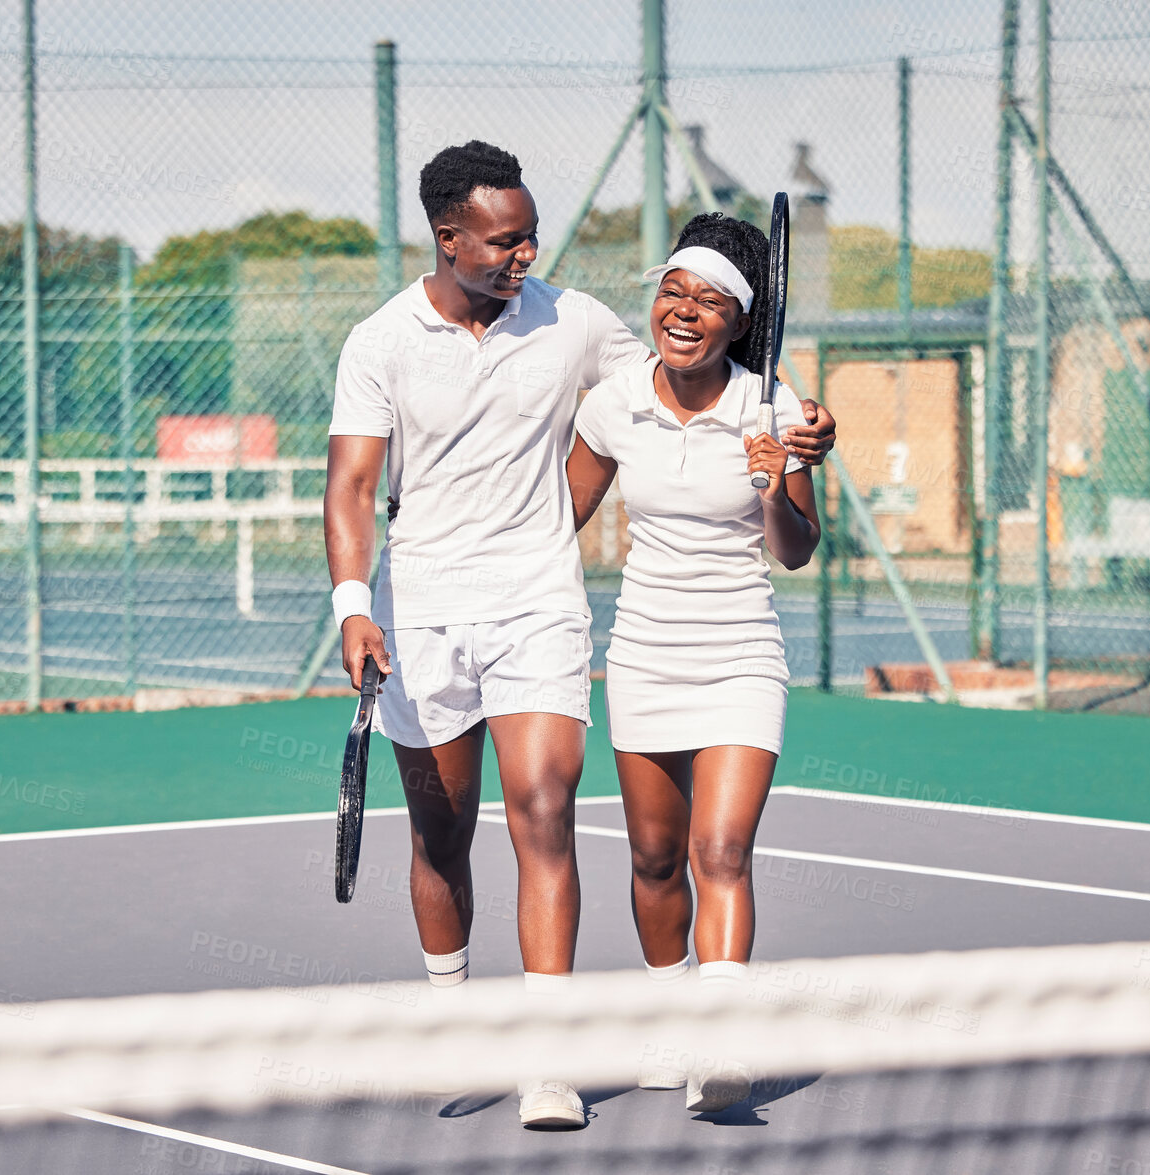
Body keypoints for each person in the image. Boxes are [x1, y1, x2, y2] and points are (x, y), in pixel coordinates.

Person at [325, 142, 835, 1128]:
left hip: (538, 606)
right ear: (448, 238)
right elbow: (349, 485)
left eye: (529, 237)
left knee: (545, 809)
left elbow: (695, 369)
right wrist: (354, 602)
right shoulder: (378, 341)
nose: (525, 256)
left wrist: (808, 426)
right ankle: (451, 1015)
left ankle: (547, 1058)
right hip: (418, 606)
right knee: (440, 835)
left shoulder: (571, 321)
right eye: (505, 241)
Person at [565, 212, 822, 1113]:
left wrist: (771, 480)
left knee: (722, 849)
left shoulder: (779, 409)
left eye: (709, 300)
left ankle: (722, 1048)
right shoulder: (612, 403)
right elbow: (556, 519)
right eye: (673, 290)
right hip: (642, 652)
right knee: (654, 858)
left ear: (741, 321)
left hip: (743, 652)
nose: (683, 310)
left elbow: (794, 549)